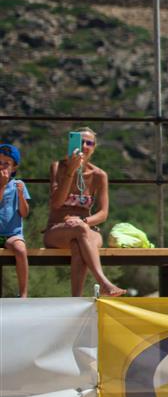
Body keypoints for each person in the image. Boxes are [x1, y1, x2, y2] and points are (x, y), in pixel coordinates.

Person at [43, 127, 125, 297]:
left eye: (90, 143)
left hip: (86, 228)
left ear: (94, 148)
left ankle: (76, 299)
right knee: (80, 233)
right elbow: (56, 204)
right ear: (72, 144)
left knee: (78, 242)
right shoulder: (58, 167)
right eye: (81, 142)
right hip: (57, 229)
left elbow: (103, 213)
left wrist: (84, 222)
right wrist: (71, 172)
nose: (85, 146)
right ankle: (103, 282)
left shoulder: (99, 175)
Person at [0, 143, 31, 297]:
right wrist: (2, 186)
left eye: (7, 163)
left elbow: (24, 213)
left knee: (20, 249)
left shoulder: (19, 185)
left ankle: (23, 293)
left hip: (12, 234)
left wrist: (20, 195)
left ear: (14, 168)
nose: (2, 166)